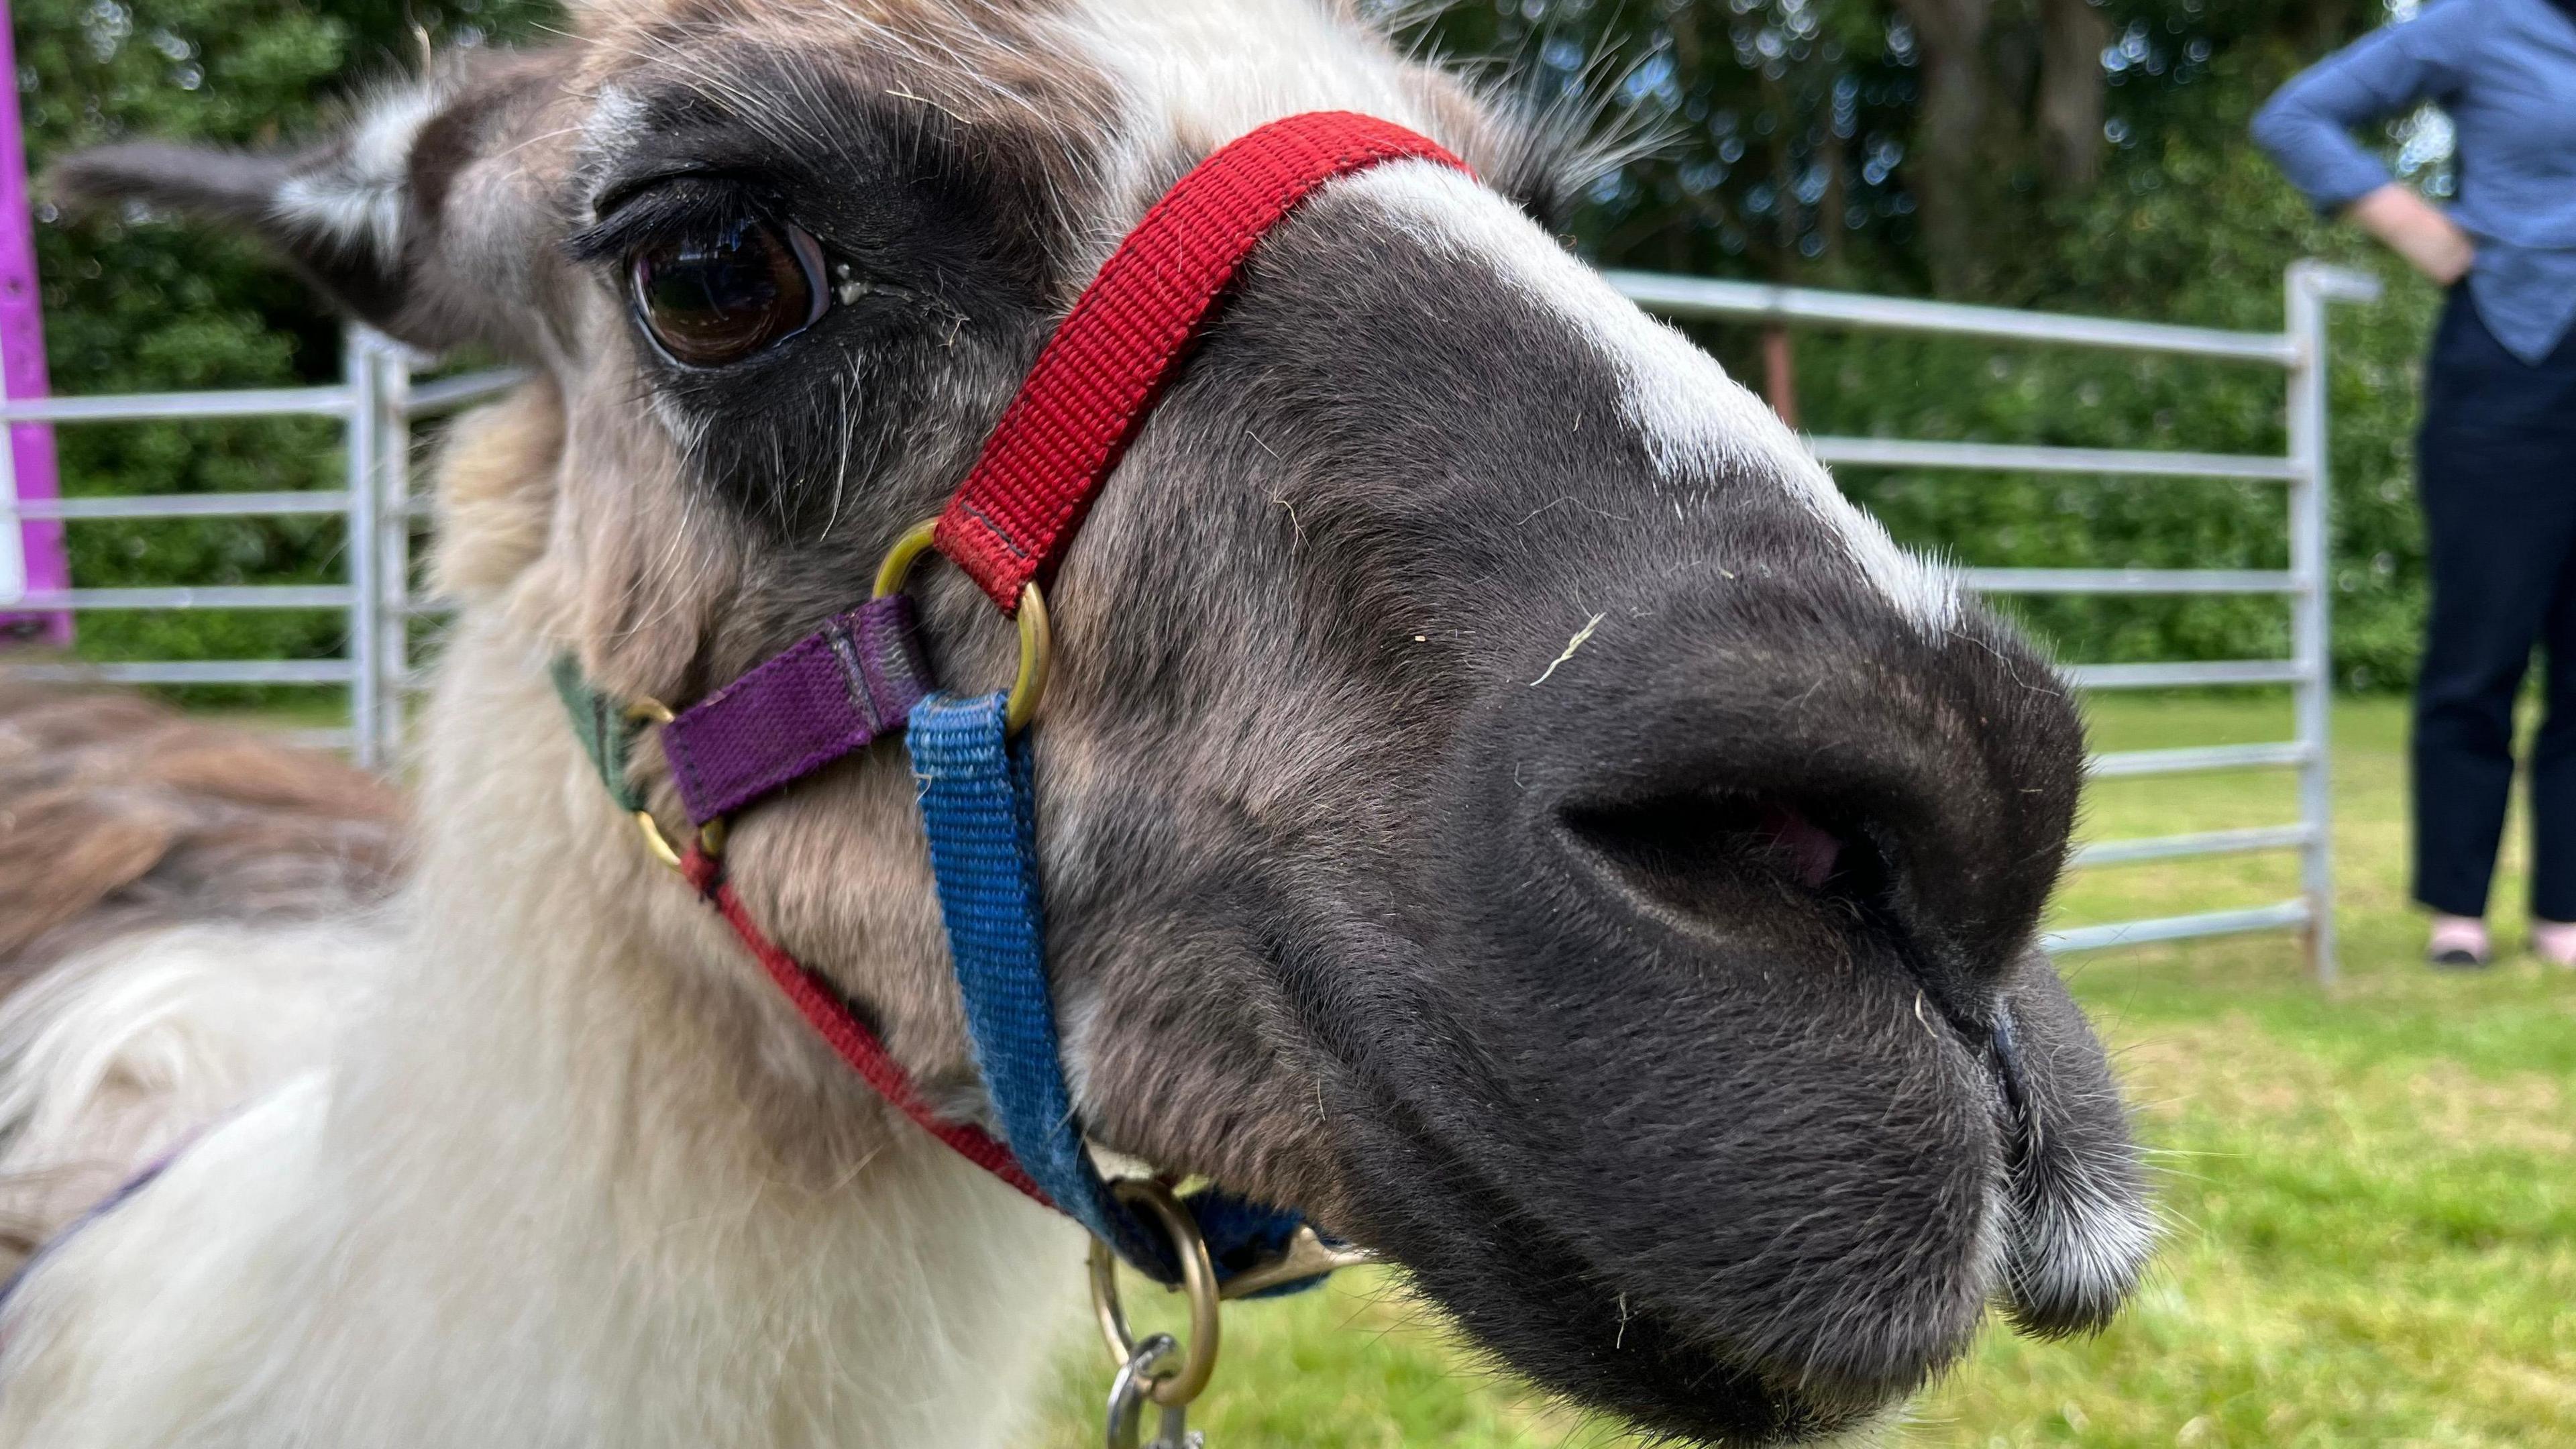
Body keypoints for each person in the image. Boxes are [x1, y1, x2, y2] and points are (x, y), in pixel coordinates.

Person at [2254, 0, 2576, 969]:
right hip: (2508, 358)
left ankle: (2565, 915)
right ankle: (2458, 915)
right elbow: (2297, 115)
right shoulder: (2484, 23)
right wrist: (2414, 226)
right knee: (2480, 650)